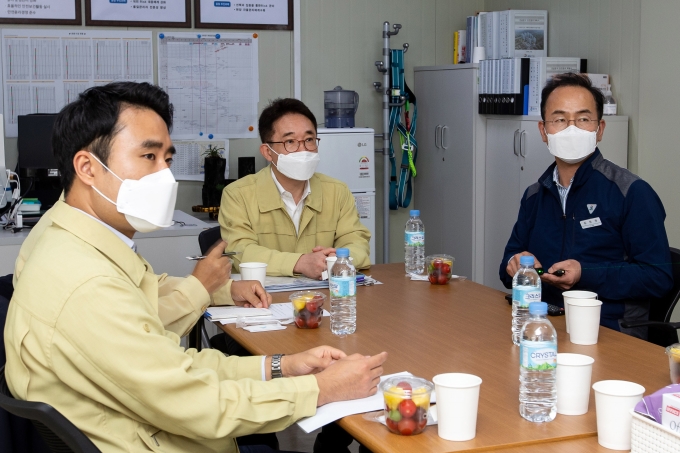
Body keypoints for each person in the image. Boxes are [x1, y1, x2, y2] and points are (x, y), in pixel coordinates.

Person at [4, 82, 387, 453]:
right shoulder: (86, 281)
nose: (165, 177)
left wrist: (280, 365)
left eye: (167, 159)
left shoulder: (65, 237)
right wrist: (321, 390)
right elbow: (199, 403)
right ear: (87, 167)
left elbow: (171, 364)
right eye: (148, 156)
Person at [499, 72, 673, 338]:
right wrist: (514, 264)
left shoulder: (632, 192)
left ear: (599, 129)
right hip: (543, 328)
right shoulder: (535, 195)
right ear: (543, 131)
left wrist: (584, 274)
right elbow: (506, 265)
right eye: (559, 119)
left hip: (610, 333)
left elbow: (658, 277)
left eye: (582, 119)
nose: (571, 129)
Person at [219, 98, 371, 280]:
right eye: (290, 142)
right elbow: (241, 252)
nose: (303, 150)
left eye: (309, 139)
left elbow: (357, 242)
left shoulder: (337, 191)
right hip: (262, 299)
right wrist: (300, 262)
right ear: (267, 152)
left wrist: (338, 259)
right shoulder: (238, 194)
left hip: (325, 296)